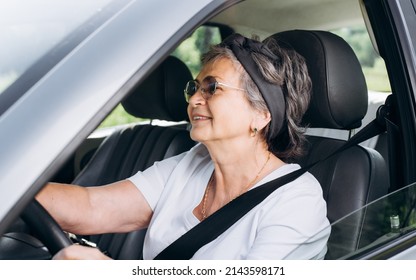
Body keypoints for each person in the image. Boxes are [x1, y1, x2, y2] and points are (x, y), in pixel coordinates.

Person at [37, 33, 330, 260]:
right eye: (195, 88)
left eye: (212, 88)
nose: (193, 100)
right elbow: (91, 206)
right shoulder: (192, 163)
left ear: (261, 114)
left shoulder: (297, 201)